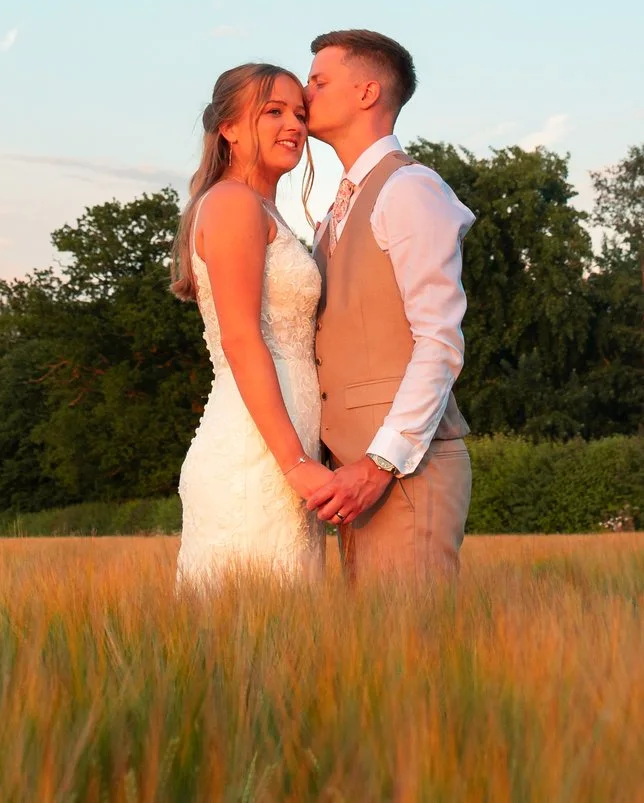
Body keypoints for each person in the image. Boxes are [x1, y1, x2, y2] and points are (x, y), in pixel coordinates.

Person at [301, 29, 474, 585]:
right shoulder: (335, 211)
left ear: (367, 92)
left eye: (318, 81)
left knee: (415, 637)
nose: (305, 93)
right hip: (350, 481)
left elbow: (439, 341)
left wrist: (379, 464)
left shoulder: (409, 188)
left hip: (402, 473)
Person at [172, 62, 333, 588]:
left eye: (299, 114)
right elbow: (241, 339)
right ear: (230, 129)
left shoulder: (264, 208)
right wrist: (295, 463)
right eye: (273, 112)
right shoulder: (233, 203)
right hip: (257, 452)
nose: (294, 126)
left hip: (288, 447)